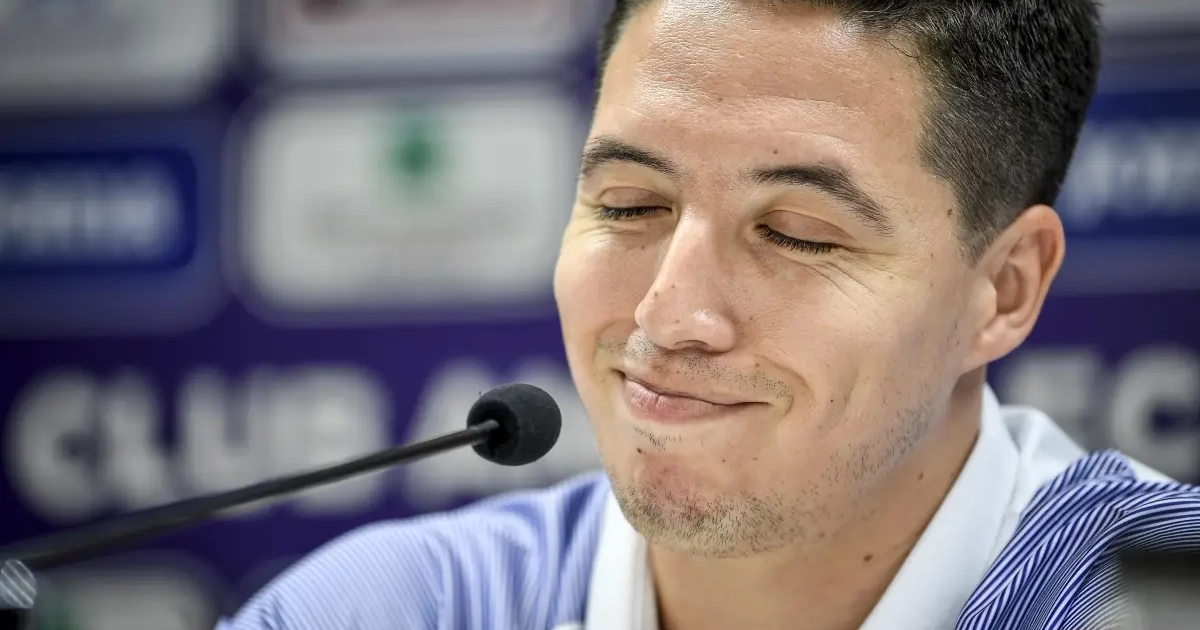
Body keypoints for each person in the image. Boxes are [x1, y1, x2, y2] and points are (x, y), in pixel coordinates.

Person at [219, 1, 1200, 629]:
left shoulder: (1154, 599)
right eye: (628, 206)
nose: (671, 313)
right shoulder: (383, 611)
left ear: (1006, 288)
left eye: (798, 234)